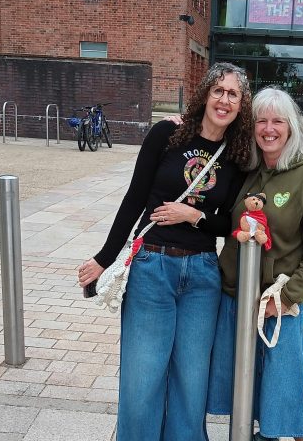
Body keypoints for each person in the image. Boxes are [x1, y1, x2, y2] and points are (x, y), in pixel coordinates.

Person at [77, 62, 253, 441]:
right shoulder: (167, 135)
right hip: (152, 265)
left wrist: (194, 215)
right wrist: (103, 258)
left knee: (192, 380)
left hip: (203, 274)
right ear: (205, 93)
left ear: (242, 104)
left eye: (233, 94)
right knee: (143, 376)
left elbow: (229, 224)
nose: (224, 100)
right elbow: (135, 198)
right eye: (218, 91)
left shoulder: (236, 155)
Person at [207, 86, 303, 441]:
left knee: (285, 390)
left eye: (277, 120)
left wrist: (288, 296)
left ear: (290, 127)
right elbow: (210, 133)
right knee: (246, 389)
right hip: (235, 296)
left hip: (276, 303)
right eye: (261, 120)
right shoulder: (246, 167)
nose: (269, 128)